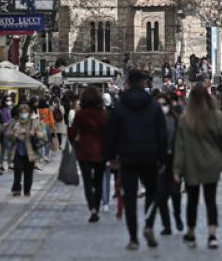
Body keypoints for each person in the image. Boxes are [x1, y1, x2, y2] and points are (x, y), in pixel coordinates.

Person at [104, 70, 168, 250]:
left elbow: (111, 134)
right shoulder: (154, 106)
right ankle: (148, 224)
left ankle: (133, 238)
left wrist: (111, 156)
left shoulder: (120, 107)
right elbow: (162, 135)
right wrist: (163, 159)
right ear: (144, 83)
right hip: (150, 155)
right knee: (152, 192)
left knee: (130, 197)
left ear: (128, 83)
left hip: (128, 156)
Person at [173, 85, 222, 250]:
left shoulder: (185, 119)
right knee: (211, 199)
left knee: (192, 200)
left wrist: (177, 169)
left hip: (191, 164)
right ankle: (212, 234)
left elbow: (180, 146)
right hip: (212, 162)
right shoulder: (217, 117)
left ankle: (191, 233)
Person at [69, 87, 108, 222]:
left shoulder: (80, 114)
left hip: (84, 151)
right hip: (101, 151)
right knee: (98, 181)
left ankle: (92, 209)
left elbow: (72, 133)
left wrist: (75, 140)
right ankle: (96, 207)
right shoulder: (104, 114)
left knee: (87, 181)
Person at [155, 94, 184, 234]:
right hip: (159, 163)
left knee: (176, 194)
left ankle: (177, 216)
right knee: (161, 197)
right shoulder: (153, 122)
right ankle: (166, 225)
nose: (162, 107)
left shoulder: (176, 120)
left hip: (174, 161)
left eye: (164, 104)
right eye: (159, 104)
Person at [5, 103, 45, 196]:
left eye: (25, 112)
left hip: (30, 152)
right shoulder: (14, 122)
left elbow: (42, 134)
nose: (24, 114)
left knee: (28, 173)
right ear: (18, 113)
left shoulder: (34, 122)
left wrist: (34, 133)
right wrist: (14, 134)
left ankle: (27, 190)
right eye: (22, 112)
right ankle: (17, 189)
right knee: (17, 172)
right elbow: (7, 133)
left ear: (29, 113)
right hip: (17, 151)